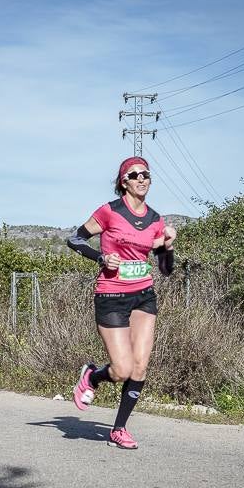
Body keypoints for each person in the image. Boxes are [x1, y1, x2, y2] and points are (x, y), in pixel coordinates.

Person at [67, 156, 176, 449]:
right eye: (135, 174)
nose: (142, 179)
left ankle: (119, 429)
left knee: (140, 369)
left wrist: (168, 245)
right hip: (111, 295)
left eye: (147, 175)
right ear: (123, 182)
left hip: (143, 295)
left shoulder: (155, 219)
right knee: (122, 369)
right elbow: (74, 240)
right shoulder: (109, 211)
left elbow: (166, 269)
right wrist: (101, 258)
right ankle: (93, 375)